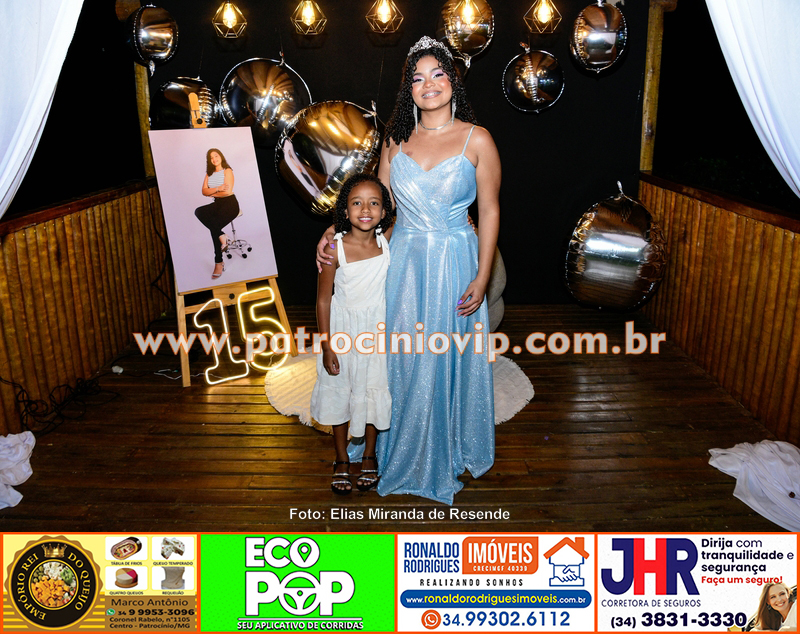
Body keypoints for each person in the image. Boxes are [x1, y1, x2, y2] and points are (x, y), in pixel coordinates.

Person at [317, 35, 501, 505]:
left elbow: (490, 210)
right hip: (402, 262)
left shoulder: (478, 138)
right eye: (418, 78)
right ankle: (386, 443)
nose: (429, 84)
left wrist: (482, 277)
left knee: (441, 354)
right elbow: (378, 206)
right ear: (409, 90)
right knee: (398, 354)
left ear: (453, 81)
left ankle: (442, 442)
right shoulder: (395, 141)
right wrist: (334, 230)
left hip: (454, 260)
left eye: (438, 74)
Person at [311, 174, 393, 495]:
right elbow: (322, 300)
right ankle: (342, 458)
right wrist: (327, 346)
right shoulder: (334, 248)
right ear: (345, 211)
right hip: (343, 334)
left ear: (384, 212)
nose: (366, 210)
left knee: (372, 389)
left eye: (374, 203)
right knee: (340, 393)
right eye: (357, 203)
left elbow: (419, 218)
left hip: (376, 334)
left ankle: (369, 455)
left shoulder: (386, 240)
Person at [195, 148, 239, 279]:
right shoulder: (209, 174)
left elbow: (227, 192)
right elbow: (203, 191)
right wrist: (219, 188)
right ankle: (222, 235)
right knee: (199, 211)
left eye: (216, 156)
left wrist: (212, 192)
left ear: (221, 156)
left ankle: (218, 262)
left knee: (213, 226)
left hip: (230, 204)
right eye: (211, 158)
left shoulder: (227, 170)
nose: (214, 159)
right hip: (218, 204)